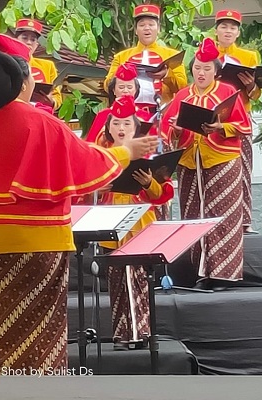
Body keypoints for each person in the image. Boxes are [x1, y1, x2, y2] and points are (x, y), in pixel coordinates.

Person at [0, 32, 158, 372]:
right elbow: (87, 162)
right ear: (24, 82)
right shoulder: (41, 122)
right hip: (37, 243)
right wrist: (126, 151)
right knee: (38, 335)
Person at [77, 95, 173, 350]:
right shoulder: (101, 156)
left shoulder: (150, 155)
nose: (121, 128)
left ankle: (141, 332)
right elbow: (83, 192)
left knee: (140, 279)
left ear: (136, 127)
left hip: (140, 226)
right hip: (110, 226)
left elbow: (162, 195)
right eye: (116, 123)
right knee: (118, 282)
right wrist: (99, 185)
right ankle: (122, 333)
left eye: (127, 124)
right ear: (108, 127)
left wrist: (147, 183)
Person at [162, 38, 252, 291]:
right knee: (193, 216)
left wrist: (220, 127)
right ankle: (199, 271)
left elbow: (245, 126)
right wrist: (176, 130)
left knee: (224, 215)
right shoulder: (182, 95)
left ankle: (223, 274)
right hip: (191, 162)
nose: (201, 73)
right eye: (198, 68)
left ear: (216, 71)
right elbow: (166, 130)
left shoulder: (227, 93)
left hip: (222, 159)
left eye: (207, 69)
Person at [214, 10, 262, 234]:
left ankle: (244, 220)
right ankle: (216, 219)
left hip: (240, 115)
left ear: (238, 32)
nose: (228, 31)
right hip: (214, 116)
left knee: (243, 166)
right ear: (216, 30)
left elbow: (256, 95)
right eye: (224, 27)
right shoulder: (206, 54)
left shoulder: (249, 56)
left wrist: (251, 84)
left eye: (233, 27)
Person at [104, 4, 187, 111]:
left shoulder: (173, 56)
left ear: (158, 29)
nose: (147, 28)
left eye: (151, 24)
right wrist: (121, 75)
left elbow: (182, 87)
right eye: (142, 25)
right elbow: (107, 86)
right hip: (129, 114)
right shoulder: (121, 57)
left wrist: (166, 75)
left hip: (162, 113)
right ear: (136, 30)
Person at [86, 63, 148, 143]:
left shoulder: (145, 116)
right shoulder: (103, 115)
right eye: (121, 87)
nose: (125, 91)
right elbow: (91, 144)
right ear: (114, 90)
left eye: (129, 87)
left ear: (136, 90)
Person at [13, 18, 62, 112]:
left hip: (41, 115)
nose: (29, 42)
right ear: (16, 40)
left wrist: (50, 101)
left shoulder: (48, 66)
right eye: (24, 37)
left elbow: (57, 97)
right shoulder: (7, 63)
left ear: (36, 45)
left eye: (33, 40)